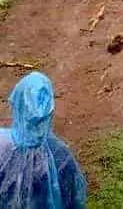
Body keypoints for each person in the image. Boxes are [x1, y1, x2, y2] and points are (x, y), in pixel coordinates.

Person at [0, 71, 87, 208]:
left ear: (17, 102)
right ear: (49, 111)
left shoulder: (2, 148)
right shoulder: (62, 157)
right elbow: (75, 201)